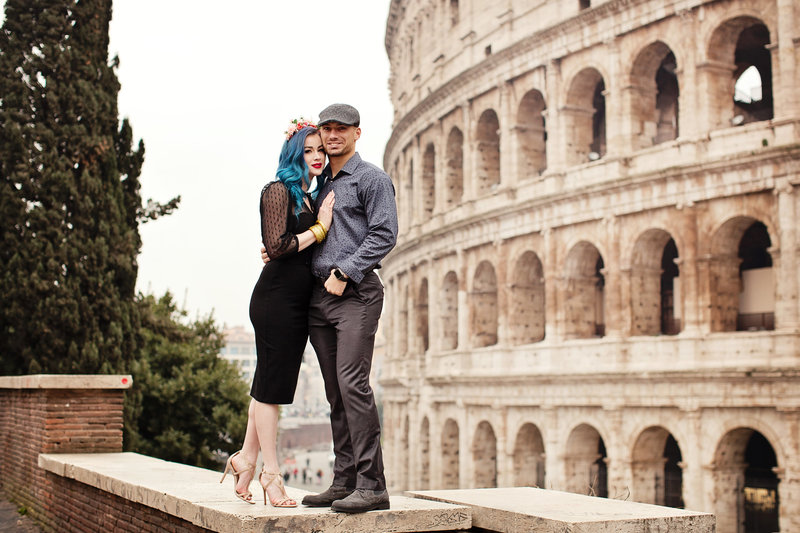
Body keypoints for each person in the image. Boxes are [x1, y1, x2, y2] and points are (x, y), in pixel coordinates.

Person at [220, 119, 335, 507]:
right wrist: (319, 230)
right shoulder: (277, 191)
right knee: (272, 389)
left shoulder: (309, 197)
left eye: (321, 150)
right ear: (293, 154)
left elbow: (287, 247)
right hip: (274, 300)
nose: (317, 157)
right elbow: (279, 244)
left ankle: (244, 461)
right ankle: (272, 475)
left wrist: (313, 232)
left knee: (267, 383)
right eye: (309, 150)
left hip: (296, 301)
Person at [291, 103, 398, 513]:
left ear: (357, 133)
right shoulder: (318, 183)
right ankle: (344, 480)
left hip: (355, 294)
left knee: (354, 384)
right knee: (335, 392)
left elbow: (385, 233)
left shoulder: (372, 179)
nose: (333, 136)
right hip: (320, 300)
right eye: (327, 129)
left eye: (342, 129)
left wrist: (347, 272)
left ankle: (373, 485)